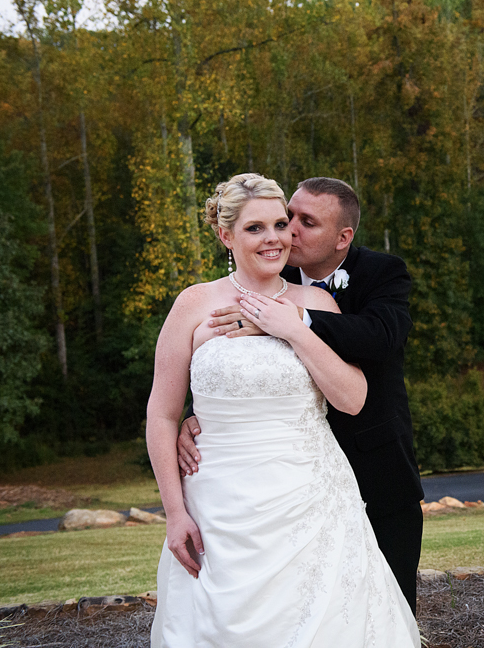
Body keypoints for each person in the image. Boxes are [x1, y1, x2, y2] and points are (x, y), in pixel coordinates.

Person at [146, 173, 420, 647]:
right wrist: (175, 511)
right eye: (257, 228)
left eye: (281, 224)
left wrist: (291, 327)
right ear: (224, 234)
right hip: (218, 499)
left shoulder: (316, 300)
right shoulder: (193, 303)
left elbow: (352, 397)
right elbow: (162, 412)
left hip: (311, 495)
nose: (277, 236)